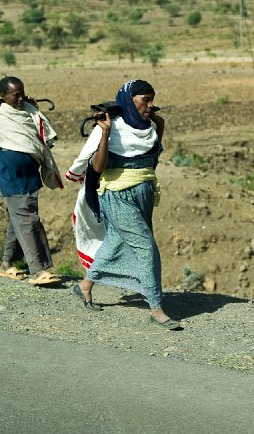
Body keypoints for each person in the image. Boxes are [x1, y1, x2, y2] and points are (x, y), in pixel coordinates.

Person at [66, 79, 179, 329]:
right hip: (116, 195)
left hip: (143, 192)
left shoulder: (148, 126)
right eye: (144, 100)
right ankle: (156, 307)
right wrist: (105, 134)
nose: (150, 105)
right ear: (129, 101)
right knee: (145, 247)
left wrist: (160, 129)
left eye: (152, 99)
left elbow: (152, 158)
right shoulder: (110, 126)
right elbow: (96, 165)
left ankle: (85, 285)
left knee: (115, 241)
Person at [0, 76, 63, 287]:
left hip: (30, 178)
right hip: (11, 179)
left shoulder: (27, 114)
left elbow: (41, 137)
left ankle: (6, 264)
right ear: (3, 97)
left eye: (22, 94)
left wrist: (33, 109)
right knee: (28, 221)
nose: (21, 99)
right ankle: (38, 270)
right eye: (16, 95)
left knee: (18, 221)